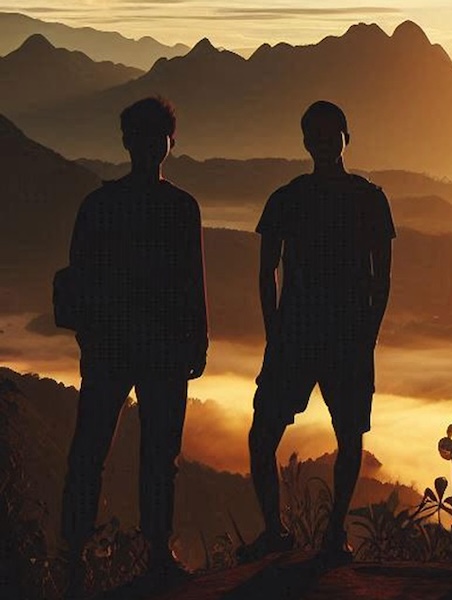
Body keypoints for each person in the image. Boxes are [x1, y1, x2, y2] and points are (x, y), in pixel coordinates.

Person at [61, 96, 208, 594]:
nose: (150, 145)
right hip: (127, 346)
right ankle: (87, 555)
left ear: (170, 142)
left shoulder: (112, 205)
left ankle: (114, 555)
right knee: (102, 451)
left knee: (127, 452)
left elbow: (193, 279)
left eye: (157, 136)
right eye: (142, 136)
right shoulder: (154, 206)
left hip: (138, 347)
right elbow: (81, 277)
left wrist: (199, 338)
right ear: (128, 142)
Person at [238, 101, 394, 565]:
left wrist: (369, 333)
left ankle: (327, 536)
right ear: (306, 142)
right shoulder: (294, 198)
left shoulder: (359, 198)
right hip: (303, 336)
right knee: (266, 435)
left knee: (344, 435)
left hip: (332, 336)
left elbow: (381, 277)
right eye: (316, 138)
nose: (324, 145)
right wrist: (274, 332)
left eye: (331, 136)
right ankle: (283, 532)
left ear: (348, 136)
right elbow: (266, 273)